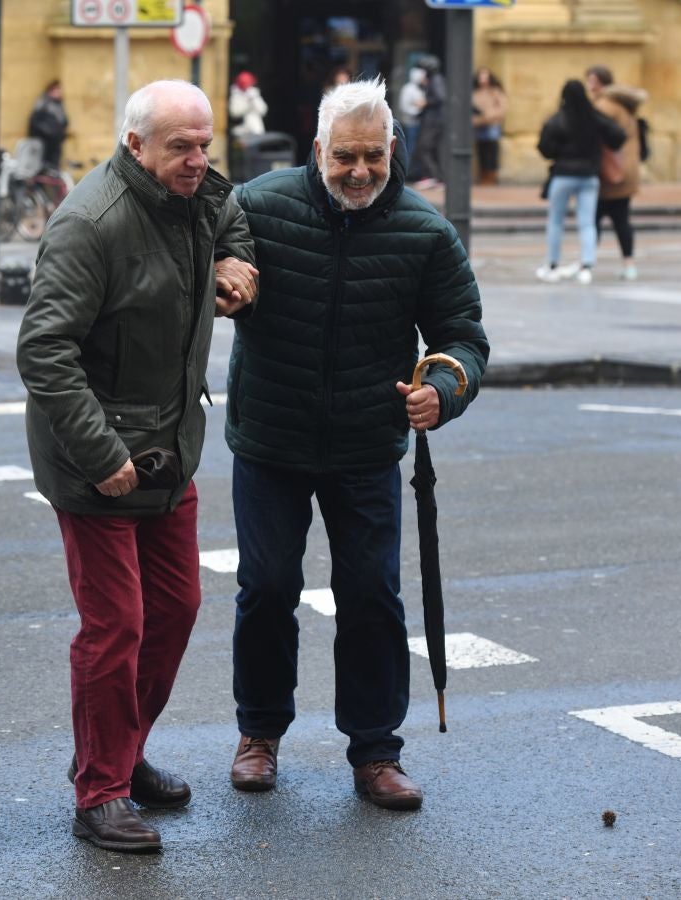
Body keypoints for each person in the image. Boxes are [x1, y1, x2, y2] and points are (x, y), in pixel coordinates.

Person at [224, 77, 488, 812]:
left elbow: (463, 337)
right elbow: (202, 259)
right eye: (345, 156)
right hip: (271, 436)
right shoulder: (258, 205)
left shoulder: (424, 231)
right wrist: (221, 274)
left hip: (367, 443)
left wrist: (446, 389)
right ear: (318, 150)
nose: (360, 171)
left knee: (371, 594)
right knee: (267, 588)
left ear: (393, 148)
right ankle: (259, 733)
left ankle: (376, 750)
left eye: (374, 155)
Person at [17, 79, 257, 852]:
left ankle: (120, 750)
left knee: (176, 610)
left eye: (205, 144)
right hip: (98, 461)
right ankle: (100, 791)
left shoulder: (197, 194)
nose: (198, 159)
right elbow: (44, 352)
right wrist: (101, 453)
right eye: (180, 147)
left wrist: (236, 260)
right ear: (134, 145)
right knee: (116, 625)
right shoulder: (91, 224)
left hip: (168, 450)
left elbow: (231, 213)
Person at [535, 79, 625, 284]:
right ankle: (586, 266)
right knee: (587, 222)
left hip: (563, 175)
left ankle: (552, 264)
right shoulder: (594, 117)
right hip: (589, 176)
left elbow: (544, 147)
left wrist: (560, 151)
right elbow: (618, 135)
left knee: (556, 221)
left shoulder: (558, 119)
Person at [585, 65, 647, 281]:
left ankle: (587, 264)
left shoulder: (604, 106)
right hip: (626, 170)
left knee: (593, 220)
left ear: (601, 83)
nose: (589, 86)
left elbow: (593, 136)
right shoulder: (622, 105)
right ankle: (629, 264)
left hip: (609, 173)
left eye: (592, 82)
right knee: (621, 220)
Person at [411, 55, 446, 189]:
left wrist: (425, 103)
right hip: (432, 119)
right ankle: (434, 177)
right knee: (430, 148)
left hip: (433, 121)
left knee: (424, 147)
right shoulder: (433, 79)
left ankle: (434, 177)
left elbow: (440, 97)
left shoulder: (436, 79)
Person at [471, 67, 508, 186]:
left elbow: (502, 108)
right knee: (481, 151)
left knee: (491, 150)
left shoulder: (495, 91)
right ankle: (483, 175)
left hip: (492, 124)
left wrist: (488, 116)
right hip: (479, 125)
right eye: (481, 77)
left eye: (485, 77)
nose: (483, 79)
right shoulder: (475, 92)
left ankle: (491, 176)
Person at [28, 80, 69, 170]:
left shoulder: (59, 105)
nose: (60, 93)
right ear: (50, 91)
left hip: (56, 142)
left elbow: (64, 121)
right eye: (57, 90)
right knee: (44, 166)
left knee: (54, 167)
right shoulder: (43, 104)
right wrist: (48, 133)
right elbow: (35, 123)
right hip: (45, 142)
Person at [229, 71, 268, 140]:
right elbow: (234, 113)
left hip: (256, 130)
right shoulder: (235, 94)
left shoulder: (253, 93)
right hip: (240, 130)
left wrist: (253, 99)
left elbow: (263, 110)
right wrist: (247, 105)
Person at [397, 67, 426, 160]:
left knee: (417, 148)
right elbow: (404, 107)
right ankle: (408, 166)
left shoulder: (419, 89)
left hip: (419, 122)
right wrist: (418, 110)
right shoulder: (408, 89)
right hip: (410, 123)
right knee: (410, 147)